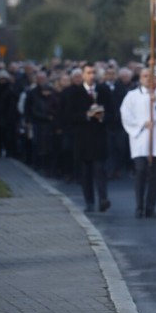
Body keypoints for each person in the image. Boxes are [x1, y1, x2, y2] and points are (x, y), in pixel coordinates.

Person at [120, 68, 156, 219]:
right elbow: (126, 116)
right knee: (141, 172)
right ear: (140, 78)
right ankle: (139, 206)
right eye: (144, 76)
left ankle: (150, 207)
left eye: (150, 76)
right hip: (141, 142)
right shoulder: (132, 96)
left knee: (155, 176)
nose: (147, 79)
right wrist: (142, 123)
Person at [63, 64, 112, 213]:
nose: (91, 75)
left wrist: (103, 116)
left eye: (94, 72)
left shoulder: (103, 90)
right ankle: (89, 201)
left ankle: (103, 198)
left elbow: (113, 112)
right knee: (86, 172)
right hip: (83, 139)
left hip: (99, 138)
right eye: (88, 73)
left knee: (100, 170)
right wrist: (87, 115)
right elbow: (69, 116)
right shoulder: (74, 93)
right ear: (83, 75)